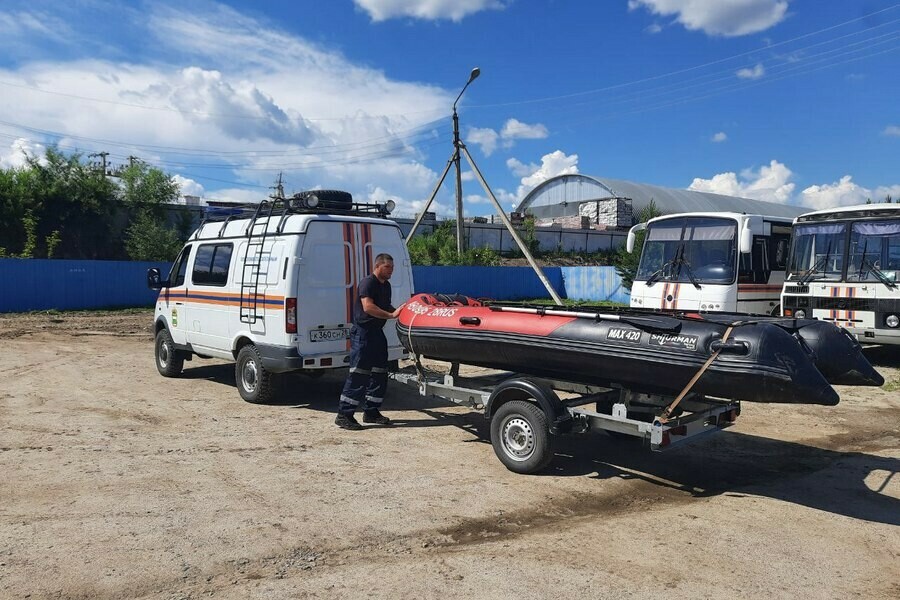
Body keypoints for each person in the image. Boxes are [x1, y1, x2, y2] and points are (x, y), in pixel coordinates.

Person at [335, 253, 404, 431]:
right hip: (363, 334)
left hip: (377, 334)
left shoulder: (386, 286)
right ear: (378, 266)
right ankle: (344, 415)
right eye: (388, 267)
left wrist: (399, 312)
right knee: (359, 373)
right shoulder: (368, 282)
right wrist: (390, 315)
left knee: (381, 372)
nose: (391, 271)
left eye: (393, 268)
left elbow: (385, 306)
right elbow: (368, 307)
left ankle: (371, 412)